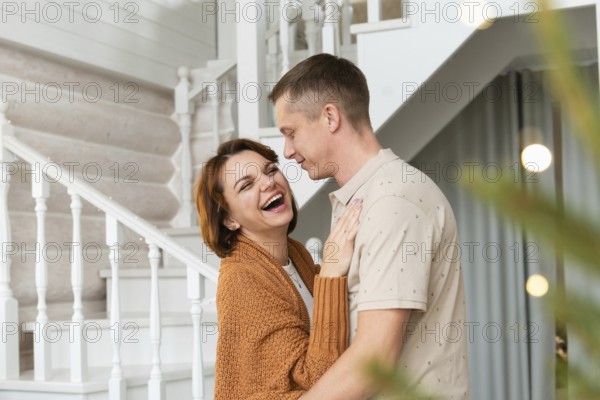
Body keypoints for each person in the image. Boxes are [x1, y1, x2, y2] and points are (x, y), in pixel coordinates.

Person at [268, 53, 470, 399]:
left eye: (292, 132)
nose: (286, 151)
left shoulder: (393, 200)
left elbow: (375, 357)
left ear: (330, 116)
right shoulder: (366, 197)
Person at [195, 138, 362, 399]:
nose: (268, 182)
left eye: (271, 169)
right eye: (247, 185)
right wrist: (330, 273)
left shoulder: (295, 253)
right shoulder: (242, 279)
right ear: (229, 219)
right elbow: (315, 376)